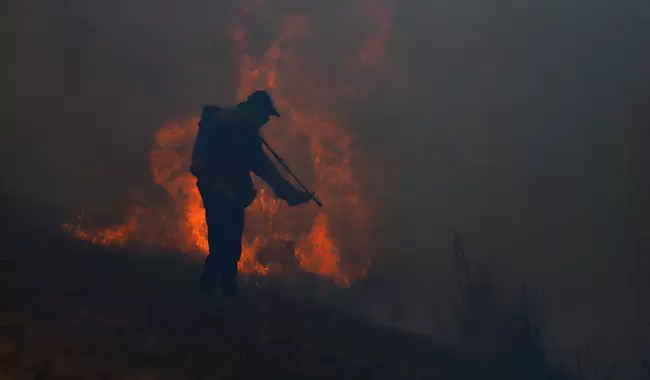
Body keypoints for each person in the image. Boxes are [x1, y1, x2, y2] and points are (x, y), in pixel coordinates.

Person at [190, 90, 313, 299]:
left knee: (230, 248)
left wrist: (292, 195)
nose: (265, 121)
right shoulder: (224, 127)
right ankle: (212, 294)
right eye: (264, 116)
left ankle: (220, 295)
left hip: (235, 196)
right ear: (254, 111)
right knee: (221, 246)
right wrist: (219, 186)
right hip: (217, 193)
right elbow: (199, 164)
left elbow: (266, 170)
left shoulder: (248, 135)